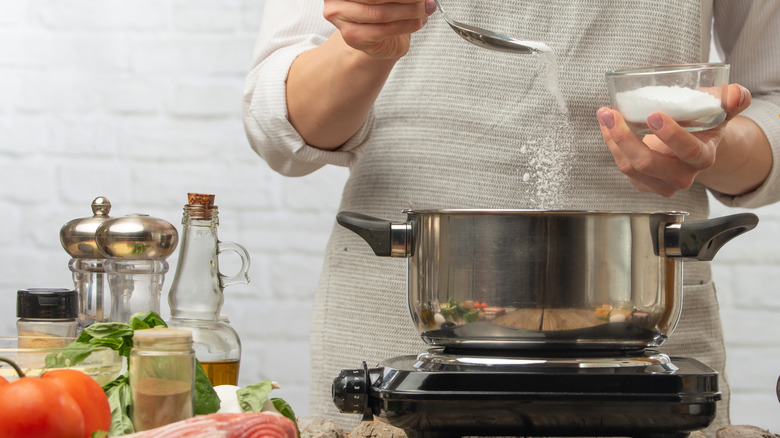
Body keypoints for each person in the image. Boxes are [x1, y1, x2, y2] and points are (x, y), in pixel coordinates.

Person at [243, 0, 780, 435]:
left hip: (641, 349)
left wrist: (711, 145)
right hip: (394, 325)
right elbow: (279, 132)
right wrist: (364, 49)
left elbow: (772, 102)